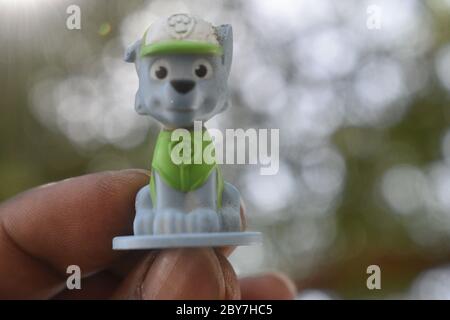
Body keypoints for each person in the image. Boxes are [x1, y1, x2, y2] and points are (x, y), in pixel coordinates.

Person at [0, 169, 296, 299]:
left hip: (205, 204)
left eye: (201, 71)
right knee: (149, 194)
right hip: (166, 206)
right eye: (161, 73)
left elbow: (208, 180)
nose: (182, 86)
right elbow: (164, 181)